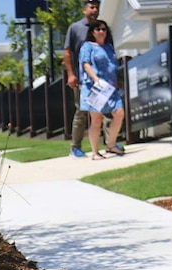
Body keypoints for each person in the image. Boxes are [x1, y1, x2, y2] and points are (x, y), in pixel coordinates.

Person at [79, 19, 125, 160]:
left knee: (119, 113)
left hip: (111, 88)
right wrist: (96, 79)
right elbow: (85, 64)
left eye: (104, 29)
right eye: (98, 29)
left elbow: (113, 65)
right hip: (96, 87)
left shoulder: (109, 47)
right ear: (92, 32)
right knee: (96, 120)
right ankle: (94, 152)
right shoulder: (87, 46)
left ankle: (111, 144)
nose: (101, 32)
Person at [63, 0, 100, 159]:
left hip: (100, 78)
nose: (95, 10)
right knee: (82, 111)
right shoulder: (75, 28)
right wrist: (71, 74)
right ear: (84, 10)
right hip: (83, 79)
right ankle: (75, 147)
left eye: (97, 7)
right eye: (92, 7)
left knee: (104, 109)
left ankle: (110, 144)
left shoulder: (101, 27)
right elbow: (67, 53)